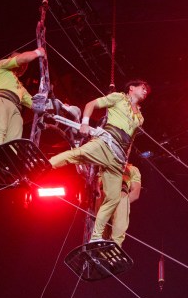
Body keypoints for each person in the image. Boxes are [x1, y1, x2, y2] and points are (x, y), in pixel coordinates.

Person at [49, 80, 150, 243]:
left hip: (119, 158)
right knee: (77, 154)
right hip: (106, 143)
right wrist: (85, 123)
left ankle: (96, 237)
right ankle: (44, 165)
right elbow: (91, 104)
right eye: (143, 88)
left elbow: (130, 141)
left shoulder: (140, 117)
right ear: (131, 88)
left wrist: (125, 159)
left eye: (147, 90)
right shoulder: (118, 97)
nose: (145, 91)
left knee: (113, 198)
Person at [0, 47, 45, 147]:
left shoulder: (20, 87)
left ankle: (10, 159)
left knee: (14, 140)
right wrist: (38, 52)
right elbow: (22, 59)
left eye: (25, 66)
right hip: (1, 99)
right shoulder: (0, 66)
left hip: (16, 108)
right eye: (22, 64)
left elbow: (34, 104)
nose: (23, 67)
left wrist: (53, 105)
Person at [95, 163, 142, 247]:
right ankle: (100, 251)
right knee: (102, 233)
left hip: (119, 195)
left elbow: (135, 193)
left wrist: (121, 203)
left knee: (117, 230)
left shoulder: (132, 169)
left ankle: (114, 247)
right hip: (103, 198)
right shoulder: (103, 165)